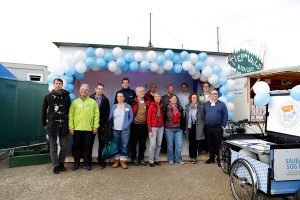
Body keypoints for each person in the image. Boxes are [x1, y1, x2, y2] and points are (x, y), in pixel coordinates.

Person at [42, 78, 71, 174]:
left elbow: (70, 110)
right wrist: (44, 123)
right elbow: (43, 110)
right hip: (52, 124)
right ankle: (55, 165)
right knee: (53, 146)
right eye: (56, 83)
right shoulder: (48, 96)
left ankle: (61, 163)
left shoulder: (67, 96)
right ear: (54, 85)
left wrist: (68, 120)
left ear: (62, 85)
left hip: (63, 124)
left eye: (60, 83)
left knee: (64, 146)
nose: (58, 85)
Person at [69, 84, 99, 171]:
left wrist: (95, 126)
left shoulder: (92, 102)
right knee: (76, 147)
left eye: (86, 90)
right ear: (79, 91)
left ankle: (87, 163)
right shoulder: (75, 102)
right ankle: (76, 163)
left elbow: (96, 115)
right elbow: (71, 115)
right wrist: (71, 127)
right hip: (77, 129)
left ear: (88, 91)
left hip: (88, 129)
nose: (84, 91)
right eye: (82, 89)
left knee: (88, 147)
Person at [204, 89, 228, 166]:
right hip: (208, 128)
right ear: (210, 95)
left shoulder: (222, 104)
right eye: (213, 94)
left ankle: (218, 159)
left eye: (216, 94)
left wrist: (223, 126)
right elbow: (203, 115)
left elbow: (225, 116)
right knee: (209, 144)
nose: (215, 95)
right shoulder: (206, 104)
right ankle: (211, 158)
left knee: (217, 144)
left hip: (218, 128)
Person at [110, 92, 133, 169]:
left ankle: (123, 161)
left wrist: (126, 125)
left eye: (121, 96)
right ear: (116, 98)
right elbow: (111, 118)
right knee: (116, 145)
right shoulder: (114, 107)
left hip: (125, 130)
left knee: (124, 145)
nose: (119, 98)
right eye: (118, 96)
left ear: (123, 98)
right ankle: (116, 161)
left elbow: (131, 117)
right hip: (115, 130)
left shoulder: (128, 106)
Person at [90, 83, 110, 169]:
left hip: (102, 125)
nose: (100, 90)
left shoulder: (106, 100)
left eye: (102, 89)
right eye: (99, 89)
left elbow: (107, 113)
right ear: (95, 89)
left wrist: (101, 123)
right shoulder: (90, 98)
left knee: (102, 143)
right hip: (91, 124)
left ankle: (101, 160)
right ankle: (88, 160)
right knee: (90, 142)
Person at [130, 87, 151, 166]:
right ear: (136, 93)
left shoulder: (147, 101)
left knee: (142, 143)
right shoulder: (132, 101)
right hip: (134, 125)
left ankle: (141, 158)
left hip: (144, 125)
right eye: (140, 91)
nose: (142, 92)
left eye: (143, 91)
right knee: (134, 143)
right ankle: (134, 158)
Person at [164, 94, 185, 165]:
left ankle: (178, 159)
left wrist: (183, 127)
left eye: (175, 98)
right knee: (170, 145)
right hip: (169, 129)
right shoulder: (166, 107)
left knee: (179, 145)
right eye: (173, 98)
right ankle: (171, 159)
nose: (174, 100)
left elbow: (183, 118)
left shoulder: (179, 107)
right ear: (169, 99)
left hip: (179, 129)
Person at [185, 93, 205, 164]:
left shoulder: (201, 106)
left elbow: (203, 117)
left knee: (196, 142)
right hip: (190, 126)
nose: (194, 99)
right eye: (193, 98)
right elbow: (186, 118)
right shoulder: (187, 106)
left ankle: (194, 157)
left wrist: (203, 126)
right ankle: (191, 157)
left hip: (198, 126)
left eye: (196, 98)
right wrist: (185, 128)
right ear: (190, 99)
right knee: (191, 142)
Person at [147, 92, 164, 167]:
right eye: (155, 96)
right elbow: (148, 118)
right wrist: (149, 130)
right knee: (153, 145)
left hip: (161, 127)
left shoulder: (162, 106)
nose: (157, 98)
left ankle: (156, 159)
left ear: (160, 97)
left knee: (159, 144)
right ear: (154, 98)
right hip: (153, 127)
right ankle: (151, 161)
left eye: (158, 96)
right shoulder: (151, 106)